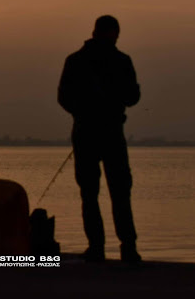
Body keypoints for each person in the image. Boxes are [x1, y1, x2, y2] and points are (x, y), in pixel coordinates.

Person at [57, 15, 142, 263]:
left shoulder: (76, 61)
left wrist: (82, 113)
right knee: (119, 192)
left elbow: (64, 98)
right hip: (110, 132)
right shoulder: (121, 61)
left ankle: (97, 248)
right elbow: (133, 97)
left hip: (86, 132)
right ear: (113, 33)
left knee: (90, 193)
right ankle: (127, 248)